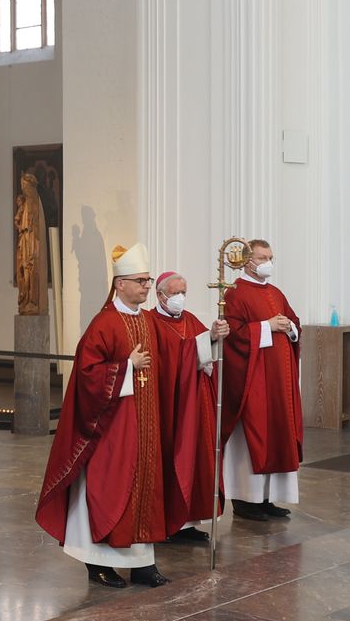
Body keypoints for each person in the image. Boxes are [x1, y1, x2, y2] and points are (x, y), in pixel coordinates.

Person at [35, 245, 178, 589]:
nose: (147, 286)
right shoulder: (104, 323)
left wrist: (206, 346)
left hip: (144, 424)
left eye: (147, 280)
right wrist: (127, 367)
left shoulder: (146, 320)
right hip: (109, 430)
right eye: (140, 281)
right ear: (120, 285)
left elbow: (173, 357)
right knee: (108, 491)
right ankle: (97, 564)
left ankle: (143, 562)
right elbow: (87, 375)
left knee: (145, 489)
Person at [219, 239, 303, 522]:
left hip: (279, 382)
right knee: (253, 437)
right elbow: (233, 335)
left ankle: (266, 499)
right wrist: (267, 326)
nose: (268, 262)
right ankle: (245, 500)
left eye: (270, 257)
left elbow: (293, 322)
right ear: (246, 260)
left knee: (277, 435)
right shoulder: (234, 294)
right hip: (252, 381)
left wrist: (289, 327)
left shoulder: (275, 293)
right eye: (262, 257)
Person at [151, 270, 229, 545]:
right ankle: (170, 523)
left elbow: (205, 356)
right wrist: (204, 343)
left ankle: (188, 522)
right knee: (173, 459)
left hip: (196, 405)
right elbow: (167, 362)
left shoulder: (192, 320)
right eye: (174, 293)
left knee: (197, 459)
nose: (179, 298)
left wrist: (216, 337)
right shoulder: (150, 323)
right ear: (160, 295)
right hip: (169, 407)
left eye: (183, 292)